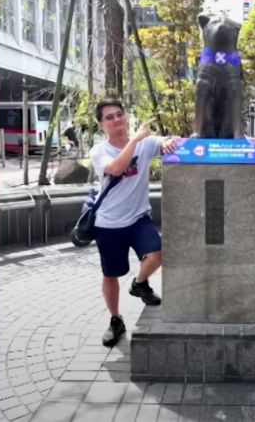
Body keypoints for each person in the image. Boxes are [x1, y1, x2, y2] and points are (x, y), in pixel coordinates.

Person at [89, 98, 179, 348]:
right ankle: (115, 320)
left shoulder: (145, 143)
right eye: (109, 117)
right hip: (108, 223)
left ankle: (139, 283)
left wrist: (168, 141)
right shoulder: (100, 151)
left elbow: (165, 142)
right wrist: (135, 140)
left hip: (139, 219)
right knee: (110, 274)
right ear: (101, 124)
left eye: (120, 114)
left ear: (126, 117)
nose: (117, 120)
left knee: (156, 255)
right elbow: (117, 168)